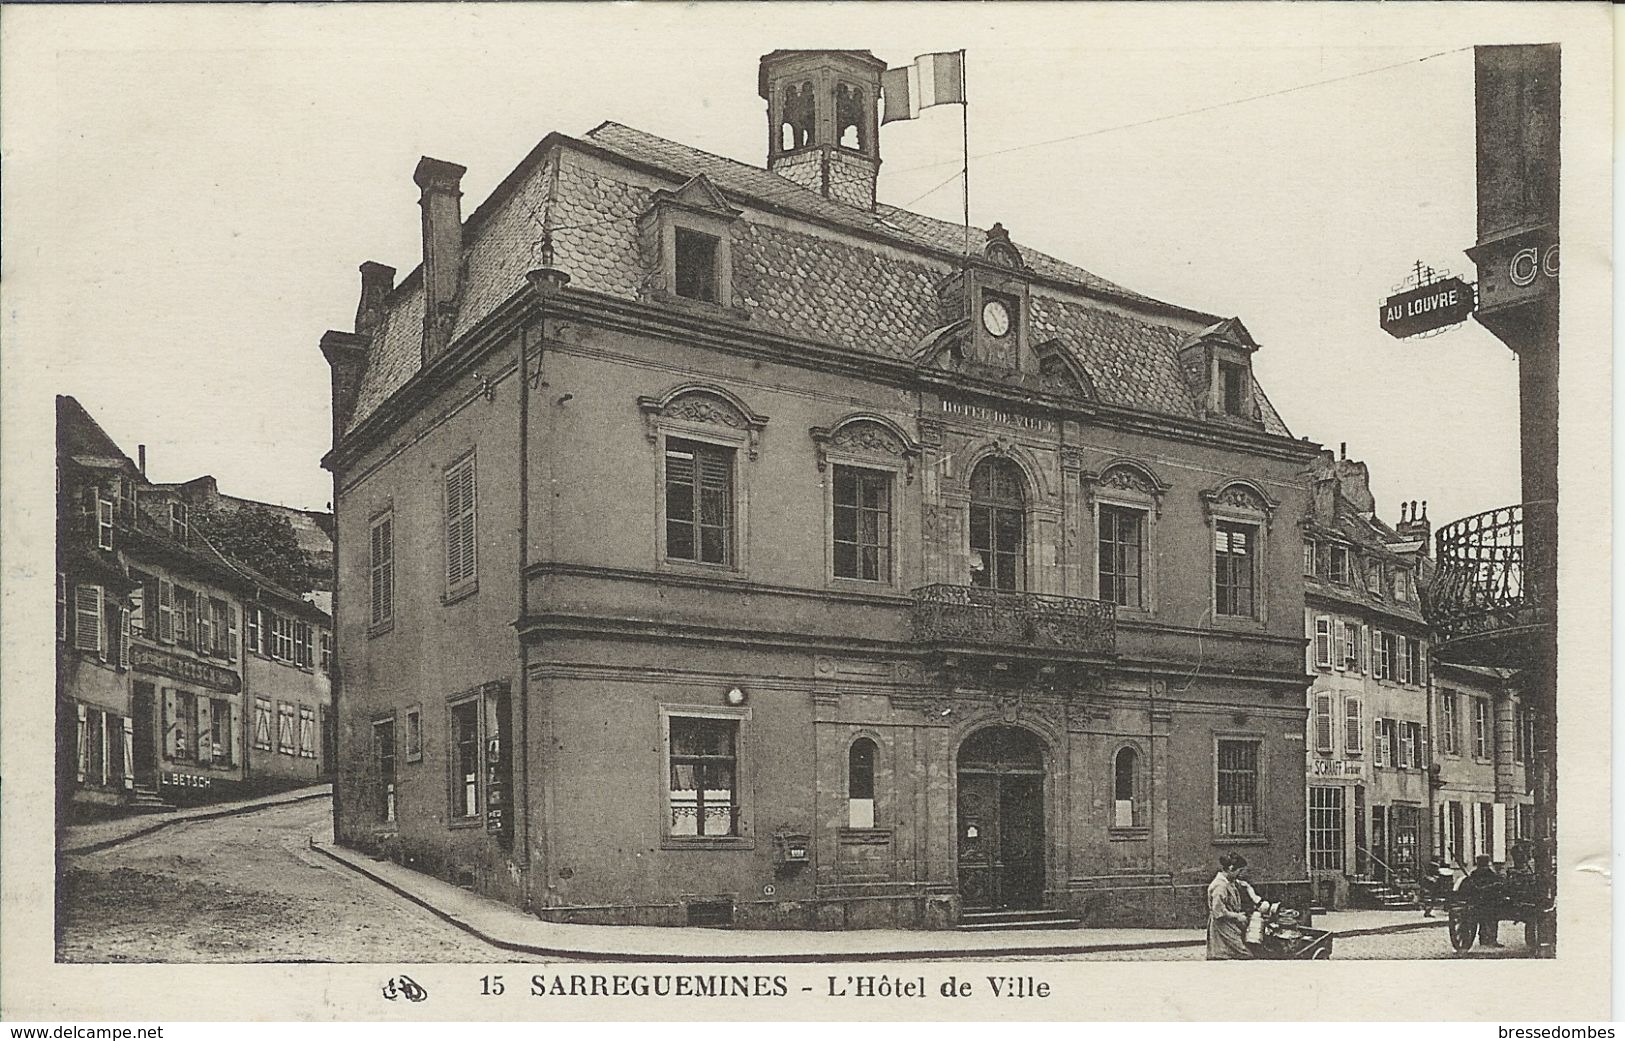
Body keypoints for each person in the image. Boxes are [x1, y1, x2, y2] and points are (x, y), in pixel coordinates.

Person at [1207, 852, 1252, 959]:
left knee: (1234, 954)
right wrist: (1237, 916)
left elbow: (1235, 885)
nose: (1240, 874)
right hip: (1223, 925)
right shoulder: (1220, 886)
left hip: (1230, 924)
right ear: (1231, 868)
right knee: (1243, 954)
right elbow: (1218, 911)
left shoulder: (1228, 881)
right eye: (1239, 871)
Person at [1456, 854, 1504, 948]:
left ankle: (1483, 939)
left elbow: (1467, 887)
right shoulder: (1490, 873)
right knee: (1492, 919)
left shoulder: (1474, 873)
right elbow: (1497, 885)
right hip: (1488, 902)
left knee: (1483, 920)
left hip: (1475, 902)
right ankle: (1490, 939)